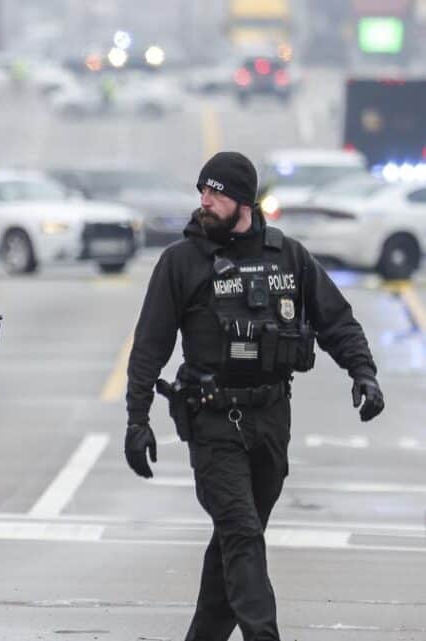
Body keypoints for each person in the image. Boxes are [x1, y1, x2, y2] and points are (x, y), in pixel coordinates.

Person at [124, 151, 385, 640]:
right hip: (211, 420)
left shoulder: (287, 256)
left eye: (216, 192)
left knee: (237, 539)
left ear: (243, 200)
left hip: (270, 418)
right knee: (241, 532)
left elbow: (336, 320)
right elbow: (149, 347)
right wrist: (136, 420)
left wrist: (363, 373)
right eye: (202, 191)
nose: (205, 201)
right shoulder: (181, 262)